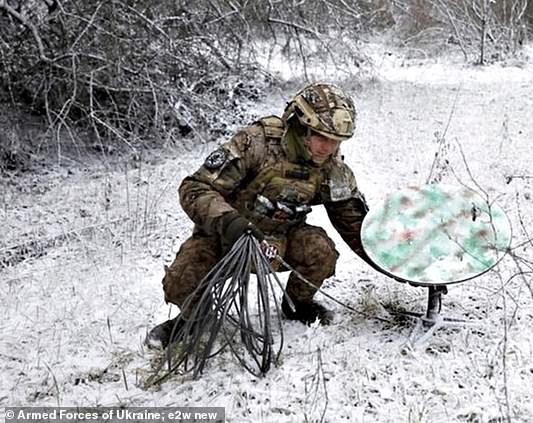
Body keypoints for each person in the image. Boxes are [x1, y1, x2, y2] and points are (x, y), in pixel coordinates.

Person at [145, 82, 376, 349]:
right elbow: (195, 187)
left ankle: (297, 306)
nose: (328, 148)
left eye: (336, 141)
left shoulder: (332, 168)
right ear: (301, 127)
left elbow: (356, 226)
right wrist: (229, 222)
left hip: (280, 242)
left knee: (320, 251)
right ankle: (192, 319)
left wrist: (402, 266)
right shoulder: (256, 144)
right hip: (226, 238)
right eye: (321, 137)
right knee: (182, 279)